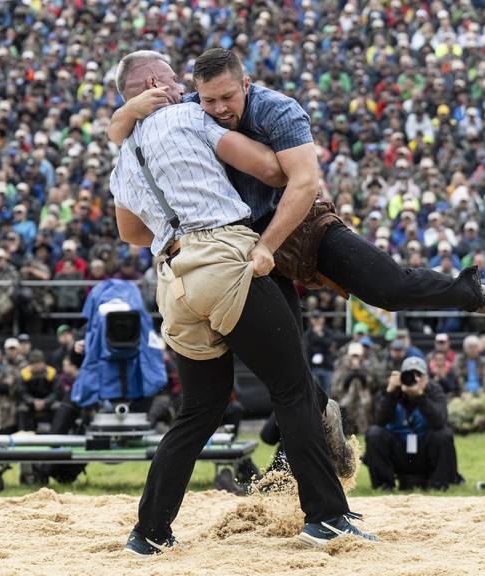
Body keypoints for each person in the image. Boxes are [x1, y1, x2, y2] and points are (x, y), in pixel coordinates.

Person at [109, 51, 374, 554]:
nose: (184, 88)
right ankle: (326, 516)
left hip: (171, 279)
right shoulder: (189, 116)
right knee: (292, 386)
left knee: (200, 410)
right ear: (150, 83)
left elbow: (129, 231)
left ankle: (149, 532)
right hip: (221, 259)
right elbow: (273, 172)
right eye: (171, 77)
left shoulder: (122, 157)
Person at [109, 47, 485, 323]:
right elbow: (119, 135)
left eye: (228, 98)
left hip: (296, 224)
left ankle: (477, 293)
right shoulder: (188, 109)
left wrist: (268, 246)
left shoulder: (279, 111)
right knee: (284, 357)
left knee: (387, 288)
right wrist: (127, 112)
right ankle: (317, 437)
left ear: (246, 84)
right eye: (209, 101)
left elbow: (301, 184)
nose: (219, 109)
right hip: (235, 242)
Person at [364, 356, 460, 491]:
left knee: (444, 434)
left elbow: (440, 422)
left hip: (424, 450)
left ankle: (438, 484)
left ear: (426, 378)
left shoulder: (434, 390)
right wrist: (390, 393)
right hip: (399, 450)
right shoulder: (391, 390)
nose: (414, 378)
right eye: (409, 374)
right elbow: (379, 421)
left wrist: (421, 396)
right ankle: (384, 484)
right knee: (375, 433)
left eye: (418, 375)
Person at [17, 350, 59, 432]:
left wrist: (45, 402)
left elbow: (55, 393)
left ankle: (56, 432)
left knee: (57, 407)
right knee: (22, 408)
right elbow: (23, 393)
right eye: (34, 364)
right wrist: (33, 401)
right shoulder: (24, 374)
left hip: (48, 402)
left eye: (39, 363)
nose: (36, 366)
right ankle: (24, 434)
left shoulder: (52, 373)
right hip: (31, 403)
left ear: (43, 363)